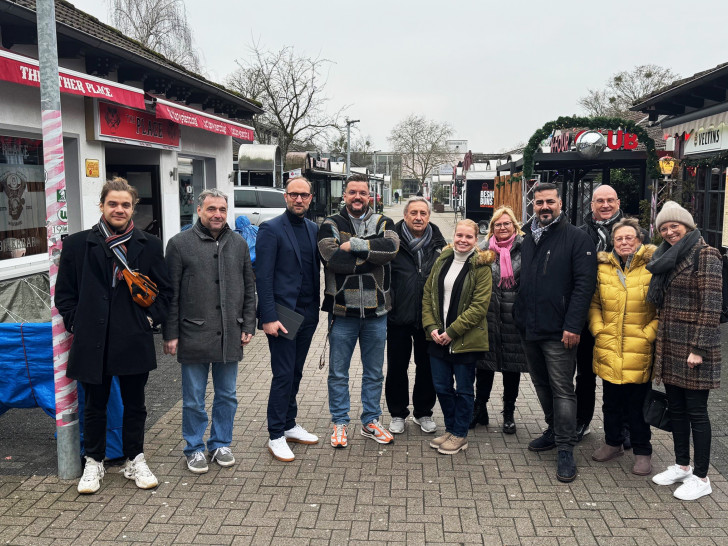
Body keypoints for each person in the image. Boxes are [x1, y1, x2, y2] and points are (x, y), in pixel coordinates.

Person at [56, 177, 172, 494]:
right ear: (102, 206)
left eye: (125, 204)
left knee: (136, 405)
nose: (119, 209)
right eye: (113, 203)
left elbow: (165, 293)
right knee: (95, 405)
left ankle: (135, 458)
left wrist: (148, 319)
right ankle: (93, 462)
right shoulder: (78, 244)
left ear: (133, 208)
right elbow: (64, 295)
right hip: (92, 340)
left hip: (132, 337)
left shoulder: (148, 245)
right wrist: (77, 323)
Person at [163, 189, 256, 474]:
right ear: (199, 210)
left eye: (222, 210)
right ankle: (193, 447)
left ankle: (220, 443)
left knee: (227, 395)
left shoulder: (238, 243)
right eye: (212, 209)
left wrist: (249, 324)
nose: (218, 214)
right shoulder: (179, 244)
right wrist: (171, 333)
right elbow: (171, 293)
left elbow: (249, 287)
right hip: (193, 333)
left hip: (230, 332)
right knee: (193, 397)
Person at [514, 183, 597, 483]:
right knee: (541, 384)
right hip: (530, 326)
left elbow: (584, 286)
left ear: (560, 204)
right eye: (539, 203)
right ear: (532, 205)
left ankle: (565, 448)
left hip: (560, 331)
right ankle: (553, 429)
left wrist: (573, 325)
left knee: (563, 389)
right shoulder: (527, 236)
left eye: (550, 201)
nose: (544, 207)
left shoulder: (577, 238)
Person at [318, 173, 400, 448]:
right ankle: (340, 422)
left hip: (377, 312)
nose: (357, 197)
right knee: (338, 372)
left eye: (362, 193)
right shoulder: (330, 223)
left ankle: (370, 421)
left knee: (374, 372)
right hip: (342, 311)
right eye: (352, 192)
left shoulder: (384, 221)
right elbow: (332, 259)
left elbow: (390, 249)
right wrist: (370, 258)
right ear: (345, 195)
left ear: (370, 196)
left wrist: (353, 246)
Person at [647, 201, 722, 501]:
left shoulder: (706, 254)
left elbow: (711, 305)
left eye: (673, 225)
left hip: (693, 347)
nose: (669, 231)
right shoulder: (666, 256)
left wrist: (699, 349)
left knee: (697, 413)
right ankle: (682, 465)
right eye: (663, 228)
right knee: (676, 409)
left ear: (687, 224)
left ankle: (702, 477)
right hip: (670, 345)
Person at [256, 177, 321, 462]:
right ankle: (275, 435)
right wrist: (267, 317)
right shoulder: (270, 229)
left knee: (295, 372)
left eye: (303, 195)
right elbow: (264, 276)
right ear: (285, 197)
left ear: (310, 197)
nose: (298, 199)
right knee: (283, 374)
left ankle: (290, 423)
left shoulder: (313, 228)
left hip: (308, 314)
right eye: (293, 194)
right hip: (283, 315)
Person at [576, 185, 644, 445]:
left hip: (623, 316)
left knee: (620, 374)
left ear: (618, 202)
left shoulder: (635, 235)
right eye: (599, 201)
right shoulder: (581, 234)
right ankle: (582, 421)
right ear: (591, 204)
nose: (605, 205)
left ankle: (622, 428)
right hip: (586, 314)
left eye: (609, 200)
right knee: (584, 374)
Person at [588, 217, 657, 476]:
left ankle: (642, 451)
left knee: (638, 405)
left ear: (639, 241)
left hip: (638, 348)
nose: (624, 242)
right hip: (609, 345)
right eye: (619, 238)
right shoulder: (603, 268)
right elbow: (594, 303)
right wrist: (598, 329)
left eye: (630, 238)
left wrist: (648, 334)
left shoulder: (653, 267)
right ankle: (613, 442)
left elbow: (663, 307)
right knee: (610, 402)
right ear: (613, 243)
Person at [422, 219, 493, 455]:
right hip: (437, 338)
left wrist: (451, 332)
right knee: (441, 387)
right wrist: (431, 326)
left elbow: (479, 307)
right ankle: (451, 429)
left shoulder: (481, 266)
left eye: (469, 237)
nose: (463, 240)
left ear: (476, 239)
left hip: (465, 340)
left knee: (463, 390)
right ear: (454, 236)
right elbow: (428, 295)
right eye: (459, 235)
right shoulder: (443, 259)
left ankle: (460, 434)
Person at [385, 196, 446, 435]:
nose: (418, 217)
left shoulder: (440, 244)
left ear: (429, 216)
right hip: (398, 316)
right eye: (414, 213)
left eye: (423, 213)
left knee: (427, 367)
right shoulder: (391, 241)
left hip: (429, 319)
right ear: (405, 215)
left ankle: (423, 412)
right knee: (397, 367)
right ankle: (398, 413)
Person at [471, 206, 527, 434]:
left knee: (511, 369)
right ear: (491, 228)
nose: (502, 228)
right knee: (483, 366)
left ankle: (509, 412)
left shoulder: (526, 250)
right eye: (498, 224)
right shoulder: (482, 251)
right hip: (488, 316)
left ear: (515, 226)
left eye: (507, 224)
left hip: (514, 318)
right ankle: (479, 408)